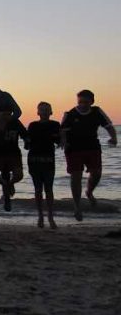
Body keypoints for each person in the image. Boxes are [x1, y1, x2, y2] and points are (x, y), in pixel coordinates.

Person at [61, 90, 117, 221]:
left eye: (86, 102)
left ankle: (89, 192)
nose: (82, 105)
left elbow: (109, 126)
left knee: (97, 173)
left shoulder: (97, 112)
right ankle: (77, 206)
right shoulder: (70, 114)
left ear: (92, 102)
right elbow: (62, 130)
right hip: (74, 149)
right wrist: (63, 141)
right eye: (80, 102)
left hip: (92, 147)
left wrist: (113, 138)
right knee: (76, 177)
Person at [26, 102, 60, 229]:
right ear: (38, 112)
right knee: (38, 189)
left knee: (49, 189)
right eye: (42, 110)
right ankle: (40, 216)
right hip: (34, 160)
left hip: (48, 160)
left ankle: (50, 217)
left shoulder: (55, 125)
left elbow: (59, 141)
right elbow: (27, 144)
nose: (44, 112)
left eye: (47, 110)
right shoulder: (32, 125)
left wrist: (63, 139)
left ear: (51, 112)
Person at [0, 109, 28, 212]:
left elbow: (24, 134)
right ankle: (6, 189)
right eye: (3, 114)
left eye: (8, 114)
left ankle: (9, 184)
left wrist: (27, 142)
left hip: (13, 153)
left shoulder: (15, 122)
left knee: (18, 175)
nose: (6, 116)